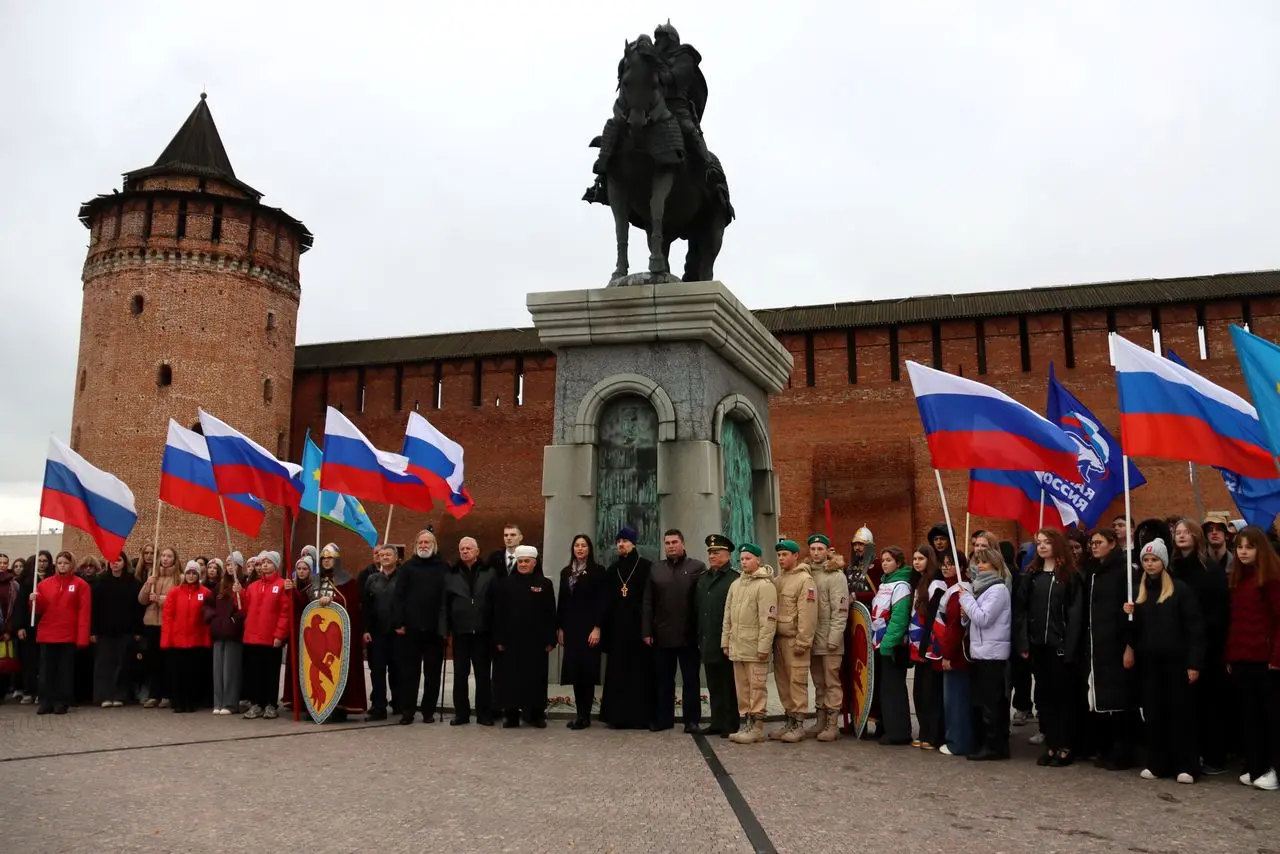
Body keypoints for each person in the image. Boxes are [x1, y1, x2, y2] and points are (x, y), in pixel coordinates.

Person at [1124, 538, 1204, 784]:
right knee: (1154, 713)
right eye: (1146, 560)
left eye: (1154, 560)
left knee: (1179, 713)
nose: (1150, 564)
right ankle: (1158, 763)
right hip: (1150, 663)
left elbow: (1194, 628)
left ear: (1164, 562)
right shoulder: (1139, 592)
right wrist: (1129, 615)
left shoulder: (1180, 589)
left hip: (1176, 662)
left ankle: (1186, 765)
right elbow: (1134, 633)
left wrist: (1194, 662)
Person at [1015, 528, 1084, 767]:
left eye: (1047, 542)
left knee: (1062, 698)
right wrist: (1024, 642)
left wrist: (1070, 646)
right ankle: (1052, 745)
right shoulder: (1032, 575)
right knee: (1044, 698)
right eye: (1039, 543)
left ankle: (1066, 746)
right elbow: (1021, 611)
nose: (1042, 546)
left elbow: (1076, 615)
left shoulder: (1070, 575)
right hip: (1038, 646)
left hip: (1060, 647)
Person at [1170, 517, 1230, 774]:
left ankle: (1214, 755)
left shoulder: (1209, 569)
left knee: (1209, 702)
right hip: (1176, 645)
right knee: (1185, 703)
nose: (1181, 536)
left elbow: (1219, 608)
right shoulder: (1171, 568)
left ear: (1196, 536)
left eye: (1186, 532)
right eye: (1178, 532)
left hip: (1206, 644)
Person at [1224, 525, 1280, 791]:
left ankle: (1275, 769)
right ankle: (1256, 765)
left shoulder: (1271, 578)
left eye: (1249, 546)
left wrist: (1276, 655)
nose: (1243, 552)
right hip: (1243, 657)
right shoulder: (1238, 579)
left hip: (1265, 658)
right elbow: (1235, 622)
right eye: (1240, 547)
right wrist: (1231, 654)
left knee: (1271, 717)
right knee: (1250, 716)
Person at [1084, 528, 1139, 771]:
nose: (1094, 547)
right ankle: (1105, 748)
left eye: (1099, 542)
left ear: (1112, 543)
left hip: (1117, 644)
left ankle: (1123, 752)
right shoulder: (1093, 572)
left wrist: (1130, 645)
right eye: (1092, 543)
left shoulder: (1123, 571)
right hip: (1098, 644)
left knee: (1120, 701)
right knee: (1100, 701)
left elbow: (1132, 613)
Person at [642, 529, 705, 733]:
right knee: (664, 681)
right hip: (662, 635)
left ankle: (692, 720)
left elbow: (701, 603)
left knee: (690, 681)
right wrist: (647, 631)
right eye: (667, 543)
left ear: (683, 544)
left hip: (689, 636)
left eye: (675, 542)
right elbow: (648, 602)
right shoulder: (656, 569)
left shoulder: (697, 567)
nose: (671, 546)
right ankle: (664, 719)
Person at [493, 545, 557, 728]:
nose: (522, 564)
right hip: (511, 642)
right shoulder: (505, 584)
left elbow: (550, 613)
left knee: (535, 679)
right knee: (511, 679)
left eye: (526, 561)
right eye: (520, 561)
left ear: (534, 563)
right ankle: (511, 715)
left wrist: (550, 639)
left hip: (536, 643)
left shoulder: (545, 584)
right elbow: (498, 613)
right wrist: (498, 639)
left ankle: (536, 714)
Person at [959, 546, 1013, 761]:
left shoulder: (998, 589)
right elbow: (973, 619)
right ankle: (989, 743)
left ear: (995, 565)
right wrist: (966, 613)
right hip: (981, 650)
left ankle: (995, 745)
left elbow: (983, 618)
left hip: (992, 652)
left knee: (992, 703)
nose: (979, 566)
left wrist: (967, 601)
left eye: (984, 562)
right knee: (984, 701)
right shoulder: (981, 588)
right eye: (977, 562)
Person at [600, 526, 655, 730]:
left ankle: (640, 717)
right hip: (617, 631)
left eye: (625, 541)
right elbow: (606, 602)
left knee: (639, 673)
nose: (621, 544)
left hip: (639, 629)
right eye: (618, 541)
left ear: (633, 543)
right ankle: (617, 716)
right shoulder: (612, 570)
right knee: (618, 673)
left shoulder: (646, 567)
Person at [722, 543, 778, 744]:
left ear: (758, 560)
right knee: (743, 689)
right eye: (742, 559)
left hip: (755, 648)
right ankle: (746, 724)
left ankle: (757, 728)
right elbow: (727, 616)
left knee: (757, 688)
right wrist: (725, 641)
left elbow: (769, 619)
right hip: (738, 647)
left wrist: (764, 647)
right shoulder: (736, 584)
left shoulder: (765, 586)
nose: (744, 562)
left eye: (748, 558)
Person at [395, 529, 449, 725]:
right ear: (416, 545)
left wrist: (445, 628)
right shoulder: (407, 567)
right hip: (411, 629)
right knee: (409, 673)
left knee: (433, 673)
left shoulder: (443, 567)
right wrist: (400, 623)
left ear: (434, 545)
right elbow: (398, 597)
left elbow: (446, 600)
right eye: (421, 542)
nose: (424, 545)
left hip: (435, 630)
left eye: (427, 542)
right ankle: (408, 711)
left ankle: (428, 711)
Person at [443, 537, 497, 726]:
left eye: (468, 548)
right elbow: (445, 605)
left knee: (483, 675)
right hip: (461, 632)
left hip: (483, 632)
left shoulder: (489, 573)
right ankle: (461, 713)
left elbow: (496, 603)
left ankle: (484, 713)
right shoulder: (451, 575)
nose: (465, 551)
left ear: (477, 551)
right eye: (462, 549)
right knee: (460, 674)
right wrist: (445, 630)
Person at [310, 544, 367, 722]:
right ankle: (319, 704)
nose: (326, 561)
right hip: (320, 639)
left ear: (337, 560)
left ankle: (341, 706)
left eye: (330, 558)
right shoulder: (315, 581)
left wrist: (333, 600)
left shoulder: (348, 582)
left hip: (340, 638)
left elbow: (351, 604)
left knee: (338, 671)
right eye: (324, 558)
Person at [30, 551, 91, 715]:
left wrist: (82, 637)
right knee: (46, 670)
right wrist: (35, 600)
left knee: (64, 670)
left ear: (71, 564)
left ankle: (61, 701)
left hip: (67, 635)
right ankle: (45, 701)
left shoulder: (80, 585)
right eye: (60, 562)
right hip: (48, 633)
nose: (62, 565)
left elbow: (84, 612)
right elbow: (39, 610)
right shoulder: (45, 584)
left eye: (65, 562)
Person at [557, 534, 607, 730]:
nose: (579, 549)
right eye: (576, 545)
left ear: (589, 549)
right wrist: (559, 627)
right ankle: (579, 714)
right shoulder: (565, 573)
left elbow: (603, 602)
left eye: (583, 545)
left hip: (589, 630)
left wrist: (597, 627)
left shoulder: (597, 571)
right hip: (571, 629)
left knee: (587, 672)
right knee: (576, 673)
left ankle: (585, 715)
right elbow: (562, 600)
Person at [769, 539, 816, 743]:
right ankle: (789, 719)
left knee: (797, 682)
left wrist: (803, 640)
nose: (781, 558)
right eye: (779, 555)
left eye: (785, 554)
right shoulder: (779, 581)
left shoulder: (805, 580)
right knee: (783, 683)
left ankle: (798, 724)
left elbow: (808, 613)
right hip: (779, 639)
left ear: (795, 556)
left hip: (794, 640)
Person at [804, 534, 847, 742]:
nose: (816, 553)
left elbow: (840, 609)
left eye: (820, 549)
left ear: (828, 551)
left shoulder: (835, 575)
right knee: (819, 682)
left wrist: (834, 638)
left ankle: (832, 723)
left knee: (832, 683)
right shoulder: (807, 573)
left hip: (830, 641)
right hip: (812, 639)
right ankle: (820, 719)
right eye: (812, 549)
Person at [694, 534, 738, 738]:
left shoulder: (734, 579)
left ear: (727, 555)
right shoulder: (703, 579)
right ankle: (717, 721)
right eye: (710, 552)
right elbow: (698, 609)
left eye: (717, 552)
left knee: (728, 683)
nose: (712, 556)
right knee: (713, 684)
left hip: (727, 640)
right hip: (708, 638)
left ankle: (731, 722)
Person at [870, 546, 913, 745]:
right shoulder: (884, 584)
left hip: (892, 647)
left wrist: (888, 644)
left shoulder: (901, 586)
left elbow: (898, 619)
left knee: (893, 690)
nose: (885, 563)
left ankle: (898, 732)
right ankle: (885, 726)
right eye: (883, 560)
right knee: (883, 689)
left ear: (899, 563)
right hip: (878, 645)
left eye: (889, 560)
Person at [241, 551, 290, 720]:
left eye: (269, 562)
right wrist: (238, 594)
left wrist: (279, 635)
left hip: (271, 638)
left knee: (271, 672)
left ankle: (270, 704)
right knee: (254, 672)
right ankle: (256, 704)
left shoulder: (283, 585)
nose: (265, 565)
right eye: (263, 563)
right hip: (252, 637)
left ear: (275, 565)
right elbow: (245, 608)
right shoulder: (253, 587)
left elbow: (285, 613)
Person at [91, 551, 141, 708]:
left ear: (125, 563)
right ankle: (104, 696)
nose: (115, 563)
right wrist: (92, 631)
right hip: (104, 631)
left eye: (119, 560)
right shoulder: (100, 581)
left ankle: (120, 695)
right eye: (112, 560)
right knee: (104, 664)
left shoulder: (133, 583)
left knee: (123, 664)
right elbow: (94, 608)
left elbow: (138, 609)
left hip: (126, 630)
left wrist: (138, 631)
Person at [160, 561, 211, 713]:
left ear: (198, 575)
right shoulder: (174, 592)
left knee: (193, 673)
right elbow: (168, 617)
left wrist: (207, 639)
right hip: (177, 640)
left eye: (194, 573)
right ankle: (178, 701)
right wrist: (166, 640)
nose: (191, 576)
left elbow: (207, 619)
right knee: (178, 673)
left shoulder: (206, 593)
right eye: (188, 573)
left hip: (196, 640)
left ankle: (191, 702)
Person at [909, 545, 946, 750]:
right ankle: (924, 731)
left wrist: (924, 644)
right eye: (914, 558)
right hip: (917, 643)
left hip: (931, 644)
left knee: (931, 692)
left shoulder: (937, 584)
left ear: (929, 560)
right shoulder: (919, 582)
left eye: (921, 558)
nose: (916, 562)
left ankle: (934, 734)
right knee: (919, 692)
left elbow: (933, 617)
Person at [362, 545, 405, 722]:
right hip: (377, 633)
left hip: (398, 632)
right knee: (377, 671)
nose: (385, 557)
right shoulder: (372, 580)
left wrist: (404, 625)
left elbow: (409, 603)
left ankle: (399, 703)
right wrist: (365, 629)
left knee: (397, 670)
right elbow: (366, 606)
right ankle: (379, 706)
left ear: (396, 558)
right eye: (382, 555)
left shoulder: (404, 578)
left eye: (389, 554)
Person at [935, 556, 971, 756]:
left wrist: (947, 654)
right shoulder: (957, 588)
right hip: (961, 652)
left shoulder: (958, 591)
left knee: (956, 701)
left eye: (950, 563)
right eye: (944, 563)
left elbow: (954, 626)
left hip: (957, 654)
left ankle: (957, 741)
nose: (946, 567)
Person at [138, 546, 180, 708]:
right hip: (151, 622)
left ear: (174, 559)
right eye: (163, 556)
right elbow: (142, 600)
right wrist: (148, 585)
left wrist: (160, 598)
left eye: (169, 556)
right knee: (152, 660)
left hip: (167, 623)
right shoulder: (153, 575)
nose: (165, 559)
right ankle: (153, 694)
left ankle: (167, 694)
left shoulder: (178, 578)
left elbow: (177, 600)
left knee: (167, 660)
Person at [205, 557, 245, 715]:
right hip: (219, 631)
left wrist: (234, 619)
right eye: (228, 564)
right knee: (218, 669)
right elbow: (208, 605)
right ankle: (218, 701)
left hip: (233, 632)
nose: (230, 567)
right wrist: (214, 619)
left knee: (231, 669)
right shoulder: (219, 585)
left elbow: (244, 608)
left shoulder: (242, 584)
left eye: (234, 564)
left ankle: (230, 703)